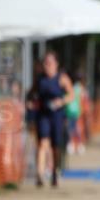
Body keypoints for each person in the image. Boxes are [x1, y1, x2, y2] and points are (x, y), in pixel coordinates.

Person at [28, 51, 74, 188]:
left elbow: (71, 95)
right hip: (43, 115)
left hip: (57, 116)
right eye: (46, 63)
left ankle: (54, 171)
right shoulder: (40, 79)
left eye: (50, 63)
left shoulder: (62, 78)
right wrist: (31, 103)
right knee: (42, 143)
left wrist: (61, 101)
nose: (48, 66)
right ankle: (40, 175)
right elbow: (31, 94)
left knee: (55, 147)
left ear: (56, 64)